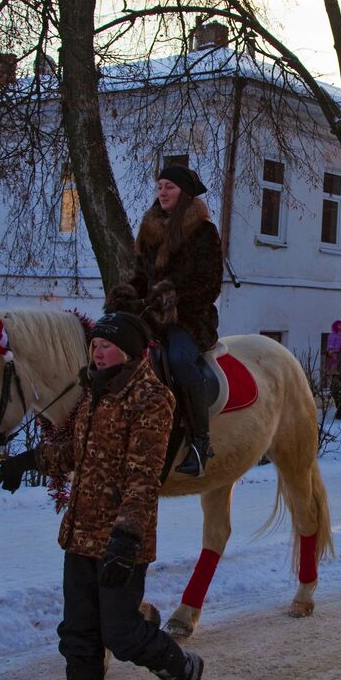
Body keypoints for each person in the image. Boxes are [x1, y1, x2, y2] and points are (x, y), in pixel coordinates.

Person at [0, 312, 204, 680]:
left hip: (119, 540)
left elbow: (143, 476)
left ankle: (182, 669)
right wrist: (26, 462)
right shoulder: (95, 392)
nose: (97, 352)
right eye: (94, 346)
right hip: (79, 534)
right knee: (78, 635)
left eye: (105, 346)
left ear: (127, 350)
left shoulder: (151, 398)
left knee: (123, 634)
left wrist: (126, 540)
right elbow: (77, 451)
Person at [120, 164, 224, 477]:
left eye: (170, 187)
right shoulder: (150, 229)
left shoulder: (204, 232)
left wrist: (172, 298)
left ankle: (199, 442)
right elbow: (141, 277)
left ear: (185, 193)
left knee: (179, 360)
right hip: (151, 317)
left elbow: (210, 283)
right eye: (160, 186)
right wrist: (126, 296)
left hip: (190, 319)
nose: (163, 192)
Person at [325, 320, 341, 419]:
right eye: (336, 326)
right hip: (335, 366)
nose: (338, 328)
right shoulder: (332, 336)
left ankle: (340, 411)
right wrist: (331, 352)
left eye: (340, 326)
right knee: (334, 389)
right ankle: (339, 408)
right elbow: (329, 348)